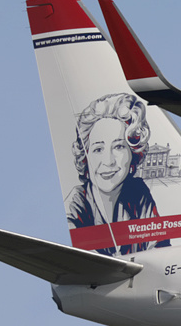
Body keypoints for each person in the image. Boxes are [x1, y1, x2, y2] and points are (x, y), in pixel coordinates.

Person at [65, 93, 169, 255]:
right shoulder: (76, 204)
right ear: (85, 156)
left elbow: (160, 248)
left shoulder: (137, 193)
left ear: (133, 152)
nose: (109, 161)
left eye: (118, 147)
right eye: (98, 149)